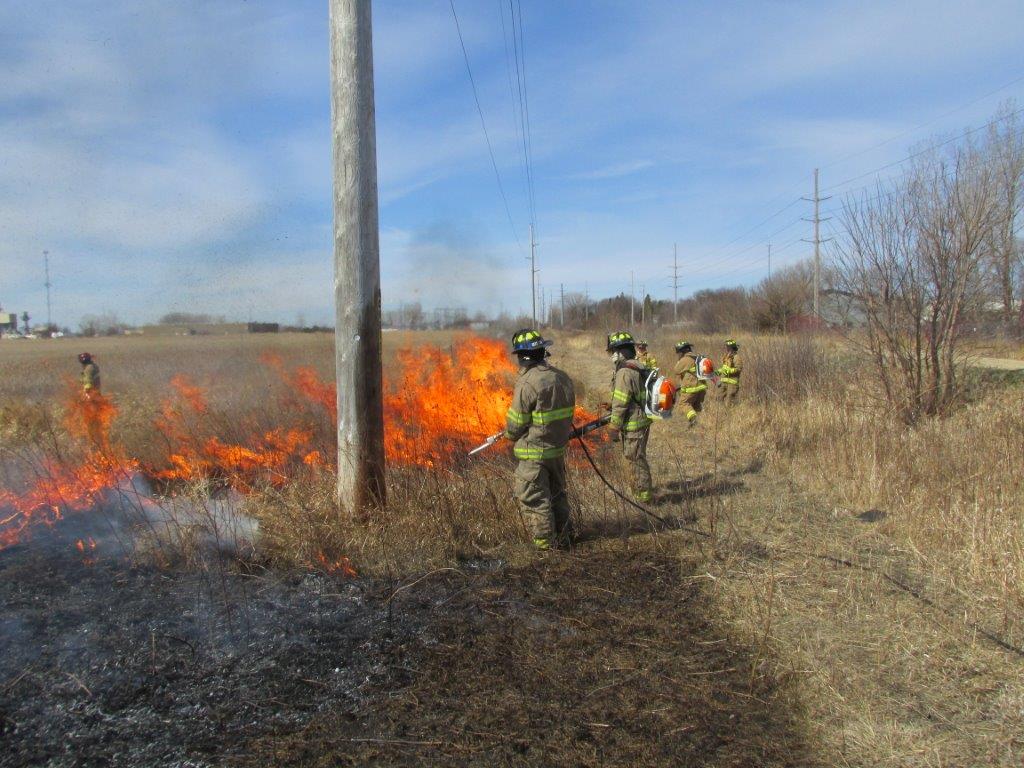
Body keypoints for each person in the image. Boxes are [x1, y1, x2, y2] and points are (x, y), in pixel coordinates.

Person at [504, 329, 577, 550]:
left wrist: (509, 435)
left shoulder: (527, 383)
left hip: (534, 453)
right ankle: (566, 539)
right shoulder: (562, 377)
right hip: (556, 450)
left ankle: (545, 547)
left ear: (523, 357)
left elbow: (516, 424)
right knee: (557, 495)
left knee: (535, 498)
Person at [606, 330, 653, 502]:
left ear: (620, 351)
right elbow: (630, 395)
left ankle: (644, 498)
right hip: (641, 419)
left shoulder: (624, 371)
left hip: (633, 422)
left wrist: (613, 428)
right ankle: (641, 492)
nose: (612, 356)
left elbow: (621, 403)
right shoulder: (637, 365)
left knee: (634, 458)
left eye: (613, 352)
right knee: (637, 455)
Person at [673, 341, 707, 426]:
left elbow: (676, 370)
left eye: (679, 353)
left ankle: (694, 420)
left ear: (682, 351)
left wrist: (679, 361)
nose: (678, 355)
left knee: (684, 404)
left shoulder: (685, 359)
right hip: (702, 387)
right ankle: (697, 425)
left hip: (692, 387)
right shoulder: (697, 357)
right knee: (695, 406)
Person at [717, 338, 743, 405]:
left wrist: (730, 371)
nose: (727, 348)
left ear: (733, 348)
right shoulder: (726, 356)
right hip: (724, 382)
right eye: (727, 347)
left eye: (728, 347)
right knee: (719, 398)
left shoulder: (737, 357)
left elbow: (739, 369)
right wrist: (718, 371)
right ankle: (721, 413)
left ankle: (729, 414)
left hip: (732, 383)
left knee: (729, 401)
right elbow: (724, 367)